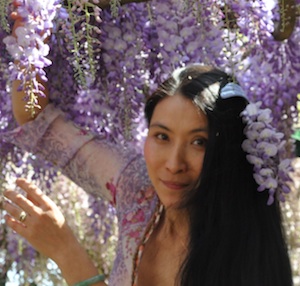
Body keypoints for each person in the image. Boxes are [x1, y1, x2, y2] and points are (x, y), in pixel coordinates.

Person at [2, 63, 294, 286]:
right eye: (162, 136)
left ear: (228, 152)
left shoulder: (241, 257)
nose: (173, 164)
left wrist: (67, 253)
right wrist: (32, 27)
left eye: (199, 142)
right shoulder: (139, 189)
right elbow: (36, 119)